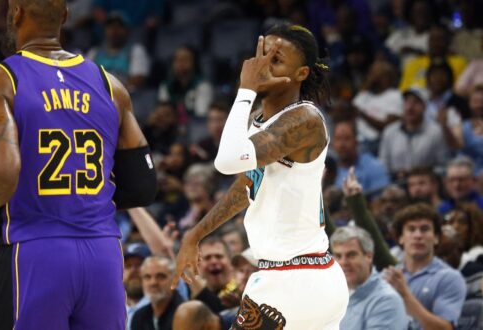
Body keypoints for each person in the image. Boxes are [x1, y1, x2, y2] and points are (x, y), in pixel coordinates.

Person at [0, 0, 157, 329]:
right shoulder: (112, 86)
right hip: (103, 255)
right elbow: (143, 186)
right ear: (64, 16)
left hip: (35, 252)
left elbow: (6, 170)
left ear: (16, 12)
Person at [172, 23, 349, 329]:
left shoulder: (304, 119)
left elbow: (226, 160)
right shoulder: (260, 121)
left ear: (301, 74)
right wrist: (195, 234)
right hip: (298, 278)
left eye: (276, 60)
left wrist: (245, 90)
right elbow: (247, 185)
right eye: (262, 56)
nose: (262, 67)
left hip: (295, 280)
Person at [384, 203, 467, 330]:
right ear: (401, 238)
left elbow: (445, 329)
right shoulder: (387, 276)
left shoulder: (449, 278)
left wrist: (405, 295)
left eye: (425, 229)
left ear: (436, 238)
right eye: (411, 229)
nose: (418, 236)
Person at [331, 226, 409, 330]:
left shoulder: (386, 300)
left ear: (369, 256)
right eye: (338, 256)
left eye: (351, 255)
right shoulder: (331, 292)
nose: (343, 262)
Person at [130, 256, 183, 330]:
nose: (153, 283)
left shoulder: (185, 314)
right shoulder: (139, 316)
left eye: (161, 276)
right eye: (147, 277)